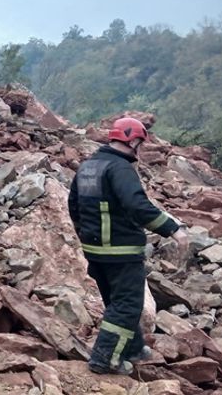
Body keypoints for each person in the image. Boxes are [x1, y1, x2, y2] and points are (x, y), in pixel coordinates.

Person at [68, 117, 188, 375]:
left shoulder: (88, 166)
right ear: (132, 141)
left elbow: (74, 206)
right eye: (141, 144)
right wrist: (172, 229)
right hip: (120, 251)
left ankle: (133, 348)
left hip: (95, 251)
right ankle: (104, 359)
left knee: (118, 301)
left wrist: (86, 235)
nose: (141, 149)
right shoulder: (120, 168)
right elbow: (137, 206)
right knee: (127, 305)